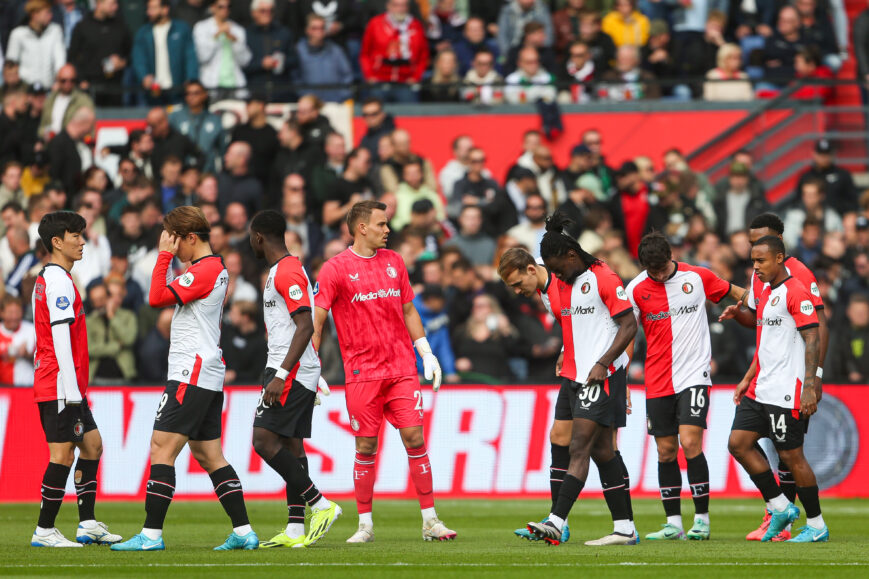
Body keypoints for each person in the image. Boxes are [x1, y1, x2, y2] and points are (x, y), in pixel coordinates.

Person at [111, 206, 258, 552]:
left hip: (190, 372)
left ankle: (150, 535)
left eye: (176, 242)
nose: (174, 249)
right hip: (206, 372)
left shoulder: (205, 270)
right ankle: (243, 531)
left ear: (191, 237)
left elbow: (156, 298)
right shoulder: (211, 268)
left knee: (161, 448)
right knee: (210, 456)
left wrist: (163, 257)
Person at [313, 200, 456, 543]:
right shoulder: (335, 269)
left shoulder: (395, 262)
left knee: (415, 438)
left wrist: (425, 352)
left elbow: (408, 309)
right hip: (362, 373)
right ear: (362, 227)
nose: (387, 229)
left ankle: (431, 521)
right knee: (365, 447)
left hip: (402, 368)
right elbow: (317, 318)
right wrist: (311, 363)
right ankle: (365, 525)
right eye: (381, 224)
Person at [626, 232, 747, 541]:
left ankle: (702, 520)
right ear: (644, 267)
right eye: (654, 272)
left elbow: (738, 293)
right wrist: (622, 377)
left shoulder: (697, 276)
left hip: (694, 375)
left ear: (671, 256)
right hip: (657, 380)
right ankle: (673, 524)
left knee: (690, 443)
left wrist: (773, 306)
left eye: (664, 268)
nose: (661, 275)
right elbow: (626, 334)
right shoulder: (636, 289)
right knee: (665, 450)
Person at [525, 212, 637, 546]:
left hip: (600, 375)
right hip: (574, 376)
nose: (556, 274)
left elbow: (629, 325)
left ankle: (556, 521)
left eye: (558, 266)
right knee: (603, 451)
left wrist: (604, 362)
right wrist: (565, 350)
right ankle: (625, 528)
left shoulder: (604, 277)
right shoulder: (563, 283)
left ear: (572, 255)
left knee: (579, 446)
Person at [719, 235, 829, 543]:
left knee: (792, 457)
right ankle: (781, 506)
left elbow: (813, 338)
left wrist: (810, 386)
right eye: (753, 261)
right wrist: (748, 378)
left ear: (779, 259)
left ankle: (817, 525)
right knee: (737, 443)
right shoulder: (765, 292)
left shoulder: (796, 291)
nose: (756, 267)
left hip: (785, 390)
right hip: (760, 388)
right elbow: (765, 343)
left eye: (761, 261)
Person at [244, 210, 341, 547]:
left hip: (289, 370)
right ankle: (296, 527)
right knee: (291, 445)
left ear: (258, 237)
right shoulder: (283, 270)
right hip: (296, 367)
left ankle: (321, 504)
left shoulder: (286, 272)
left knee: (263, 441)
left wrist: (283, 375)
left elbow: (305, 325)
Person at [30, 211, 122, 547]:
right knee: (62, 454)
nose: (82, 242)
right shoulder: (58, 281)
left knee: (92, 446)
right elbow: (60, 339)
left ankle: (87, 524)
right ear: (57, 242)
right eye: (75, 236)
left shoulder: (53, 278)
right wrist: (71, 393)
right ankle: (44, 530)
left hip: (66, 385)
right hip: (59, 385)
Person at [497, 246, 573, 543]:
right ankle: (557, 520)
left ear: (531, 270)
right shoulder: (544, 291)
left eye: (518, 284)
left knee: (603, 449)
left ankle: (624, 525)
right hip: (578, 365)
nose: (517, 291)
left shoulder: (564, 279)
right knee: (560, 438)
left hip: (599, 367)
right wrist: (567, 349)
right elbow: (573, 322)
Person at [359, 0, 429, 103]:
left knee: (409, 115)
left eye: (403, 5)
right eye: (396, 5)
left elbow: (423, 55)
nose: (400, 9)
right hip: (379, 79)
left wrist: (416, 77)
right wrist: (369, 75)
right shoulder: (375, 24)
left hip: (406, 80)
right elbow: (365, 54)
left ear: (408, 7)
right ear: (388, 6)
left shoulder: (416, 26)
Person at [132, 0, 200, 104]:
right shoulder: (143, 33)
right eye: (148, 8)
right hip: (154, 90)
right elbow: (138, 58)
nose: (149, 12)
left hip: (178, 89)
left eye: (153, 8)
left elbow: (190, 56)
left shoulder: (182, 29)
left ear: (165, 9)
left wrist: (191, 79)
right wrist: (144, 76)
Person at [67, 0, 132, 107]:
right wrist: (81, 80)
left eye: (116, 4)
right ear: (99, 4)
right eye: (112, 4)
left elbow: (130, 54)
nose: (115, 7)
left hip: (115, 88)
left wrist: (122, 62)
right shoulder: (82, 27)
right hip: (89, 88)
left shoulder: (121, 26)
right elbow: (72, 57)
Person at [193, 0, 252, 94]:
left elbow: (244, 61)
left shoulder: (238, 29)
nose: (225, 10)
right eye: (221, 7)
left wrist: (235, 41)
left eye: (228, 7)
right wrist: (217, 35)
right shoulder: (201, 27)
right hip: (211, 84)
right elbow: (202, 57)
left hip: (235, 85)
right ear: (212, 8)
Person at [294, 13, 354, 102]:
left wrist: (341, 96)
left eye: (322, 28)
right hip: (309, 105)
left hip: (335, 103)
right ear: (307, 30)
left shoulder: (336, 50)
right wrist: (306, 97)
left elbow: (347, 75)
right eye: (314, 28)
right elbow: (295, 78)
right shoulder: (299, 51)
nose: (319, 32)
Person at [6, 0, 66, 88]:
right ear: (35, 14)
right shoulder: (18, 34)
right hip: (25, 89)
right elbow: (11, 63)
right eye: (47, 13)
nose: (51, 16)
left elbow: (60, 60)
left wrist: (59, 81)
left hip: (49, 87)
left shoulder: (55, 31)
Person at [38, 64, 94, 140]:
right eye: (63, 81)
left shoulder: (83, 100)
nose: (68, 83)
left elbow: (90, 128)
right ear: (58, 80)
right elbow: (42, 127)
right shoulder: (50, 100)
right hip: (51, 144)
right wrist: (47, 133)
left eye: (72, 80)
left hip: (73, 145)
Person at [0, 295, 36, 386]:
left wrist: (27, 355)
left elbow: (43, 363)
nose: (14, 317)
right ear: (2, 313)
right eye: (10, 312)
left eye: (17, 312)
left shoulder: (32, 330)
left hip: (27, 387)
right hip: (3, 389)